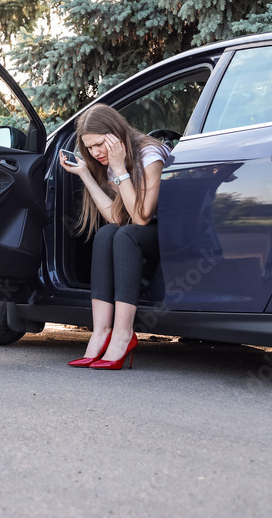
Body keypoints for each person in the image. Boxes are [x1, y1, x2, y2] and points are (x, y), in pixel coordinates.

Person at [58, 104, 169, 370]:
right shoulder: (110, 164)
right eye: (89, 148)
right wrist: (85, 174)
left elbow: (141, 217)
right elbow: (117, 217)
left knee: (127, 235)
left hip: (171, 235)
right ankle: (101, 331)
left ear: (115, 135)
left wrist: (120, 170)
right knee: (108, 233)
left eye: (98, 145)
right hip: (141, 232)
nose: (95, 153)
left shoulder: (149, 154)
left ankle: (123, 334)